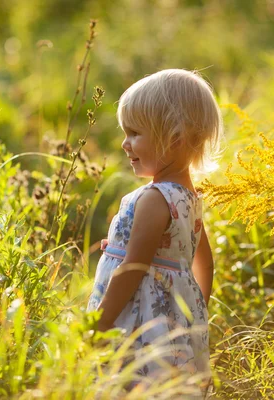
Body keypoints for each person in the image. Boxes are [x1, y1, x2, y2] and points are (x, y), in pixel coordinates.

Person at [86, 68, 223, 394]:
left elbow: (133, 268)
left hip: (138, 321)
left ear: (174, 137)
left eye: (134, 133)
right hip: (168, 326)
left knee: (132, 384)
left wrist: (101, 323)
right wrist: (192, 314)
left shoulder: (154, 198)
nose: (124, 144)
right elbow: (204, 262)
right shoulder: (190, 200)